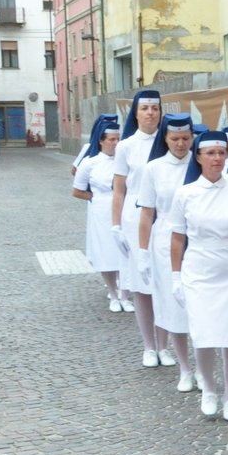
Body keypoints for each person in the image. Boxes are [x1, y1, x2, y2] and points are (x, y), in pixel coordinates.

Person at [169, 130, 228, 421]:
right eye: (210, 153)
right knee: (204, 333)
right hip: (199, 269)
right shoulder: (186, 194)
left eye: (221, 153)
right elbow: (176, 239)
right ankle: (209, 389)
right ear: (198, 157)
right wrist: (175, 276)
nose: (216, 159)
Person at [137, 113, 199, 391]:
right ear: (165, 138)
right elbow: (147, 213)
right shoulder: (153, 168)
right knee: (174, 306)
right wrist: (142, 251)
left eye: (186, 138)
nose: (181, 144)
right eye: (175, 138)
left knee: (200, 307)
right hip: (164, 240)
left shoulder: (200, 163)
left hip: (199, 240)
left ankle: (202, 366)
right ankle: (185, 368)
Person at [112, 91, 170, 367]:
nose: (150, 113)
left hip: (166, 216)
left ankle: (165, 344)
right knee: (141, 285)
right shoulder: (125, 146)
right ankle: (149, 346)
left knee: (164, 282)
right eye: (145, 108)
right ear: (135, 113)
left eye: (155, 108)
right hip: (135, 219)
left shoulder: (170, 141)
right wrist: (115, 225)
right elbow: (119, 190)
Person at [71, 113, 129, 312]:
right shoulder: (90, 163)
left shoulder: (124, 161)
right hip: (101, 209)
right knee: (106, 252)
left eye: (117, 139)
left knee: (124, 251)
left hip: (122, 207)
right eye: (111, 139)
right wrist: (94, 198)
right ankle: (113, 294)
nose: (115, 143)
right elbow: (77, 190)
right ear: (102, 141)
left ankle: (124, 295)